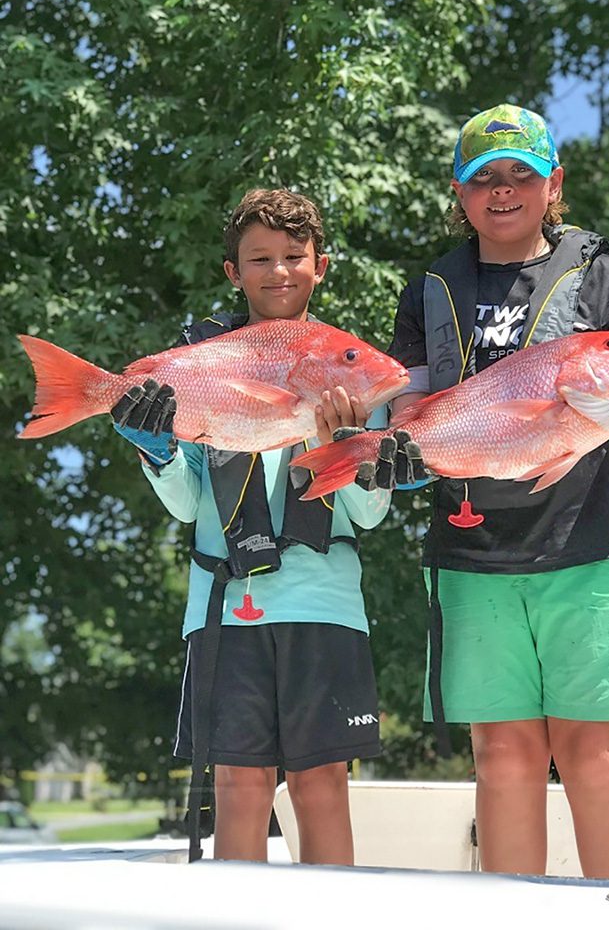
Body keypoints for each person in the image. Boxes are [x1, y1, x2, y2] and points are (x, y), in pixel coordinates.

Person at [375, 103, 609, 880]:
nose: (505, 190)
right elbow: (408, 417)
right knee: (505, 754)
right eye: (485, 178)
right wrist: (389, 454)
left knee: (595, 747)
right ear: (459, 193)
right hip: (471, 551)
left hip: (587, 543)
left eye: (523, 174)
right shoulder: (429, 292)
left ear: (556, 185)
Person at [110, 188, 390, 864]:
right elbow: (185, 505)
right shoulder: (203, 362)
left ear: (322, 264)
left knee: (322, 783)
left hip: (324, 605)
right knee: (238, 784)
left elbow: (371, 514)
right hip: (224, 607)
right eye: (260, 258)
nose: (280, 271)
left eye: (295, 256)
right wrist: (158, 449)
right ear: (233, 272)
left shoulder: (352, 370)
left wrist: (345, 445)